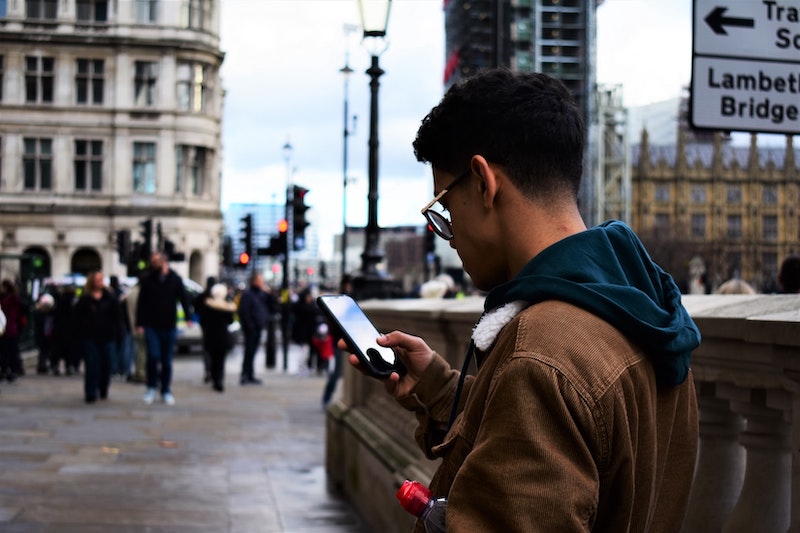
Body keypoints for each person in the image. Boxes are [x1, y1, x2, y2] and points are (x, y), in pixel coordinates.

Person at [344, 69, 701, 532]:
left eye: (446, 209)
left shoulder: (542, 354)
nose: (449, 236)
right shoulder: (641, 306)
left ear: (483, 181)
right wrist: (437, 388)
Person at [135, 252, 193, 405]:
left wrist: (188, 317)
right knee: (153, 357)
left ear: (164, 261)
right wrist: (139, 323)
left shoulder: (175, 279)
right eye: (152, 261)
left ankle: (166, 389)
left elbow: (184, 298)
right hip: (151, 325)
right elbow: (142, 303)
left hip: (169, 325)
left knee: (167, 361)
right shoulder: (148, 279)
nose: (153, 264)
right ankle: (151, 387)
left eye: (156, 261)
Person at [73, 271, 122, 403]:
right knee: (91, 365)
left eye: (101, 279)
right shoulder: (85, 299)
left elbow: (117, 317)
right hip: (90, 336)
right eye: (98, 280)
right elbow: (77, 318)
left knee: (107, 365)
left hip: (107, 336)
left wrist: (118, 333)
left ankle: (103, 387)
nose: (100, 282)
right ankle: (90, 392)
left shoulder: (110, 298)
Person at [202, 283, 236, 392]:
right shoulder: (227, 307)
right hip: (222, 336)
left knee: (212, 358)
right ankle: (219, 380)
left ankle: (214, 377)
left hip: (211, 335)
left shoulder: (208, 305)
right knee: (220, 360)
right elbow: (231, 321)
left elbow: (203, 320)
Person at [236, 272, 269, 385]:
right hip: (251, 329)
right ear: (255, 281)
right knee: (249, 352)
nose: (262, 283)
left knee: (253, 352)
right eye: (260, 280)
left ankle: (250, 374)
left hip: (258, 327)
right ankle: (245, 375)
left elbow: (271, 305)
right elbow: (243, 312)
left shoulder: (261, 294)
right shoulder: (248, 295)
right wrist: (250, 325)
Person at [0, 279, 26, 382]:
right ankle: (12, 370)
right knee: (12, 351)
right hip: (12, 329)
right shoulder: (15, 299)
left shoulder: (7, 299)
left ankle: (7, 371)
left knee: (6, 352)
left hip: (6, 329)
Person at [194, 276, 217, 384]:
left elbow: (196, 307)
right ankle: (213, 371)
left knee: (207, 348)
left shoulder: (202, 295)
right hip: (215, 326)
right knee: (215, 349)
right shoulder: (216, 295)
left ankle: (208, 370)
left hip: (205, 325)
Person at [34, 292, 57, 375]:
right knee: (44, 351)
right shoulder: (40, 313)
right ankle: (43, 365)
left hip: (48, 335)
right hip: (44, 335)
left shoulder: (51, 313)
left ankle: (45, 365)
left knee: (45, 351)